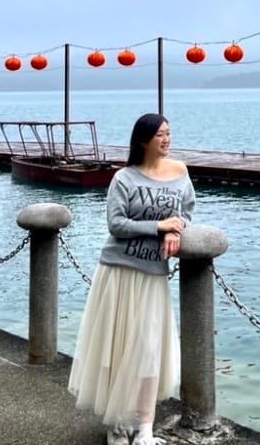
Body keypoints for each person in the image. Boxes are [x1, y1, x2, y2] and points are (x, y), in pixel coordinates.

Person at [68, 113, 196, 445]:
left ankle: (145, 430)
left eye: (169, 133)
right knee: (117, 348)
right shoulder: (124, 178)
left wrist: (176, 229)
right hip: (119, 272)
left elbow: (187, 212)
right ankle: (118, 423)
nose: (167, 140)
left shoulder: (180, 173)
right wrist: (158, 227)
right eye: (160, 135)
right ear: (143, 140)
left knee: (149, 351)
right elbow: (116, 224)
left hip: (153, 275)